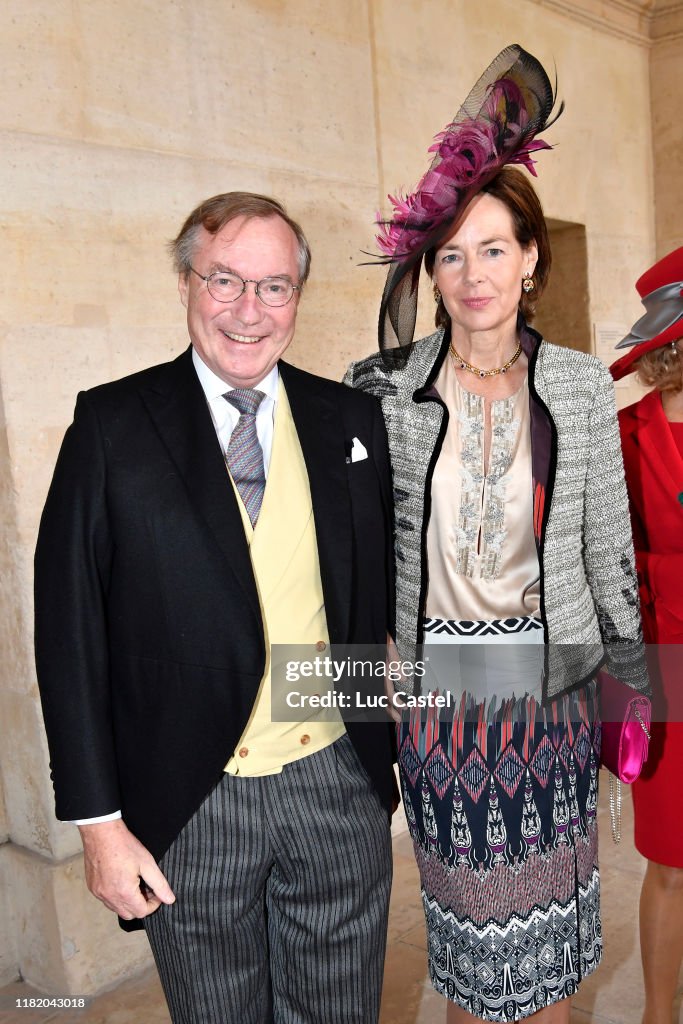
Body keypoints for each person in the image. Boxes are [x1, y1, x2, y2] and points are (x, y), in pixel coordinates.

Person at [34, 192, 396, 1024]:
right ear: (186, 281)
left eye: (274, 287)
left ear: (298, 298)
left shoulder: (351, 420)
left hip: (334, 784)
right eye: (224, 279)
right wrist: (99, 823)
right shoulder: (111, 423)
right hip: (192, 799)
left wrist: (389, 753)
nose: (247, 310)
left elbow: (372, 602)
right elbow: (70, 634)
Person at [346, 45, 646, 1023]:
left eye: (491, 248)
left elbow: (607, 547)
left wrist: (632, 689)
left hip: (549, 708)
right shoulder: (380, 388)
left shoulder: (577, 387)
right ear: (429, 268)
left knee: (548, 960)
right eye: (449, 252)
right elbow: (354, 549)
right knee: (471, 960)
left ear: (528, 257)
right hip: (439, 714)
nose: (471, 273)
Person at [610, 247, 683, 1024]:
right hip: (670, 673)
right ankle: (658, 1013)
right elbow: (602, 560)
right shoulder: (626, 433)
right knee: (670, 863)